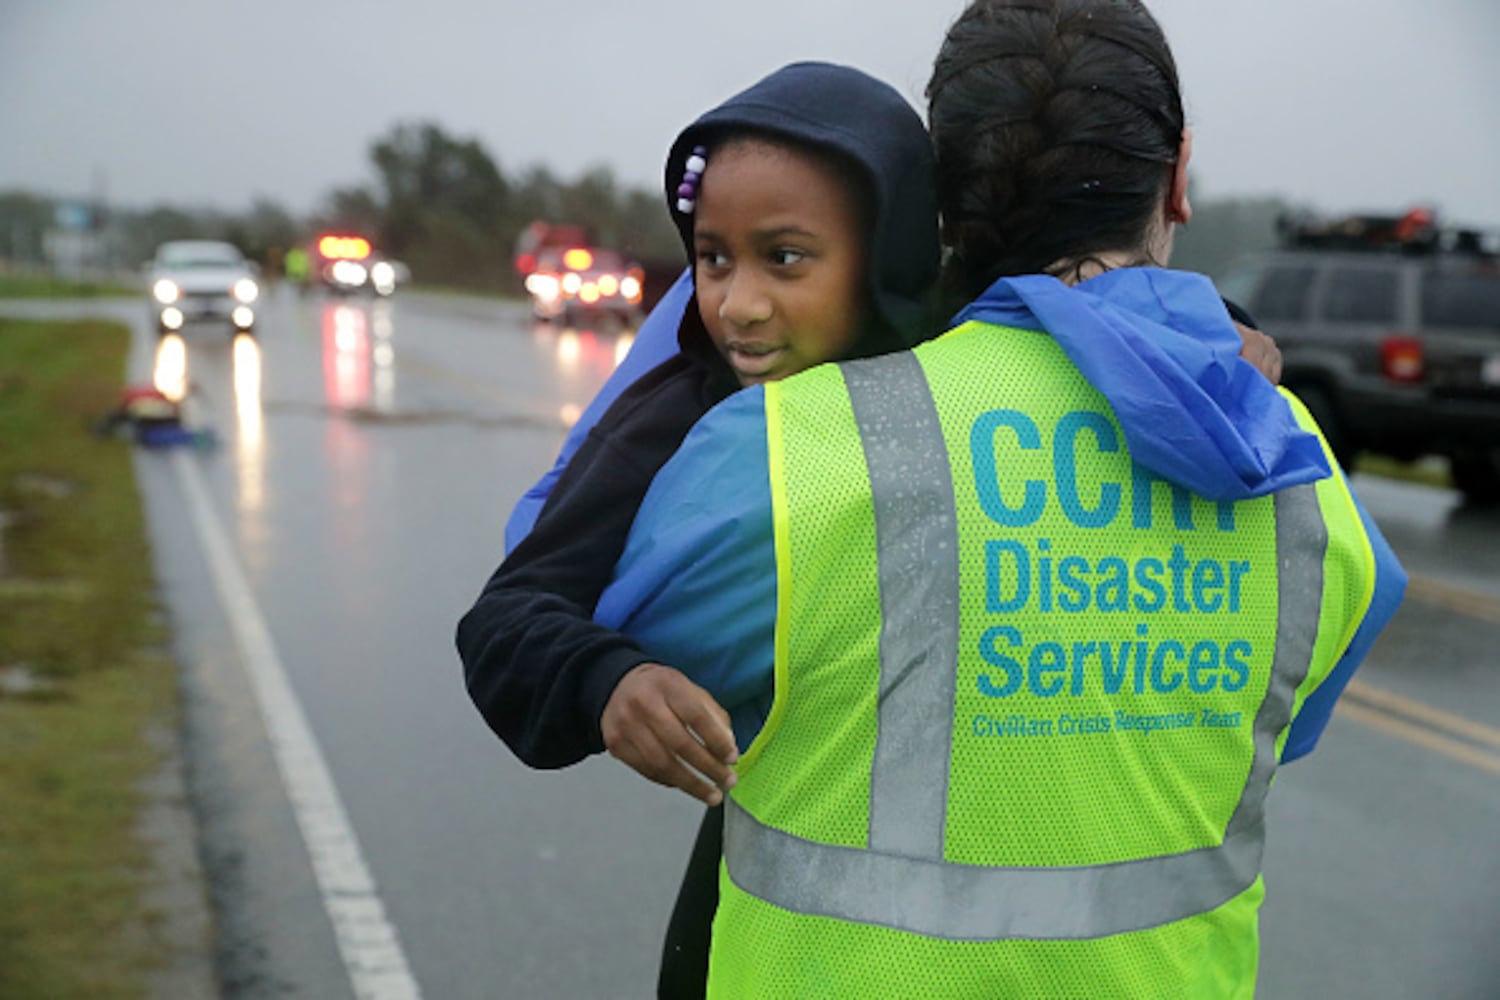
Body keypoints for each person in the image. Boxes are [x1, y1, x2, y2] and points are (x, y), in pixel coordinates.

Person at [587, 0, 1408, 995]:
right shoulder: (1305, 481)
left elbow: (633, 654)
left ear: (937, 193)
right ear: (1178, 178)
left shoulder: (785, 447)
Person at [457, 60, 945, 996]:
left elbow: (1081, 314)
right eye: (714, 257)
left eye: (786, 258)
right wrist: (608, 677)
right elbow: (507, 618)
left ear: (888, 256)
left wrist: (1222, 328)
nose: (738, 304)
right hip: (765, 912)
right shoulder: (678, 412)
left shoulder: (975, 363)